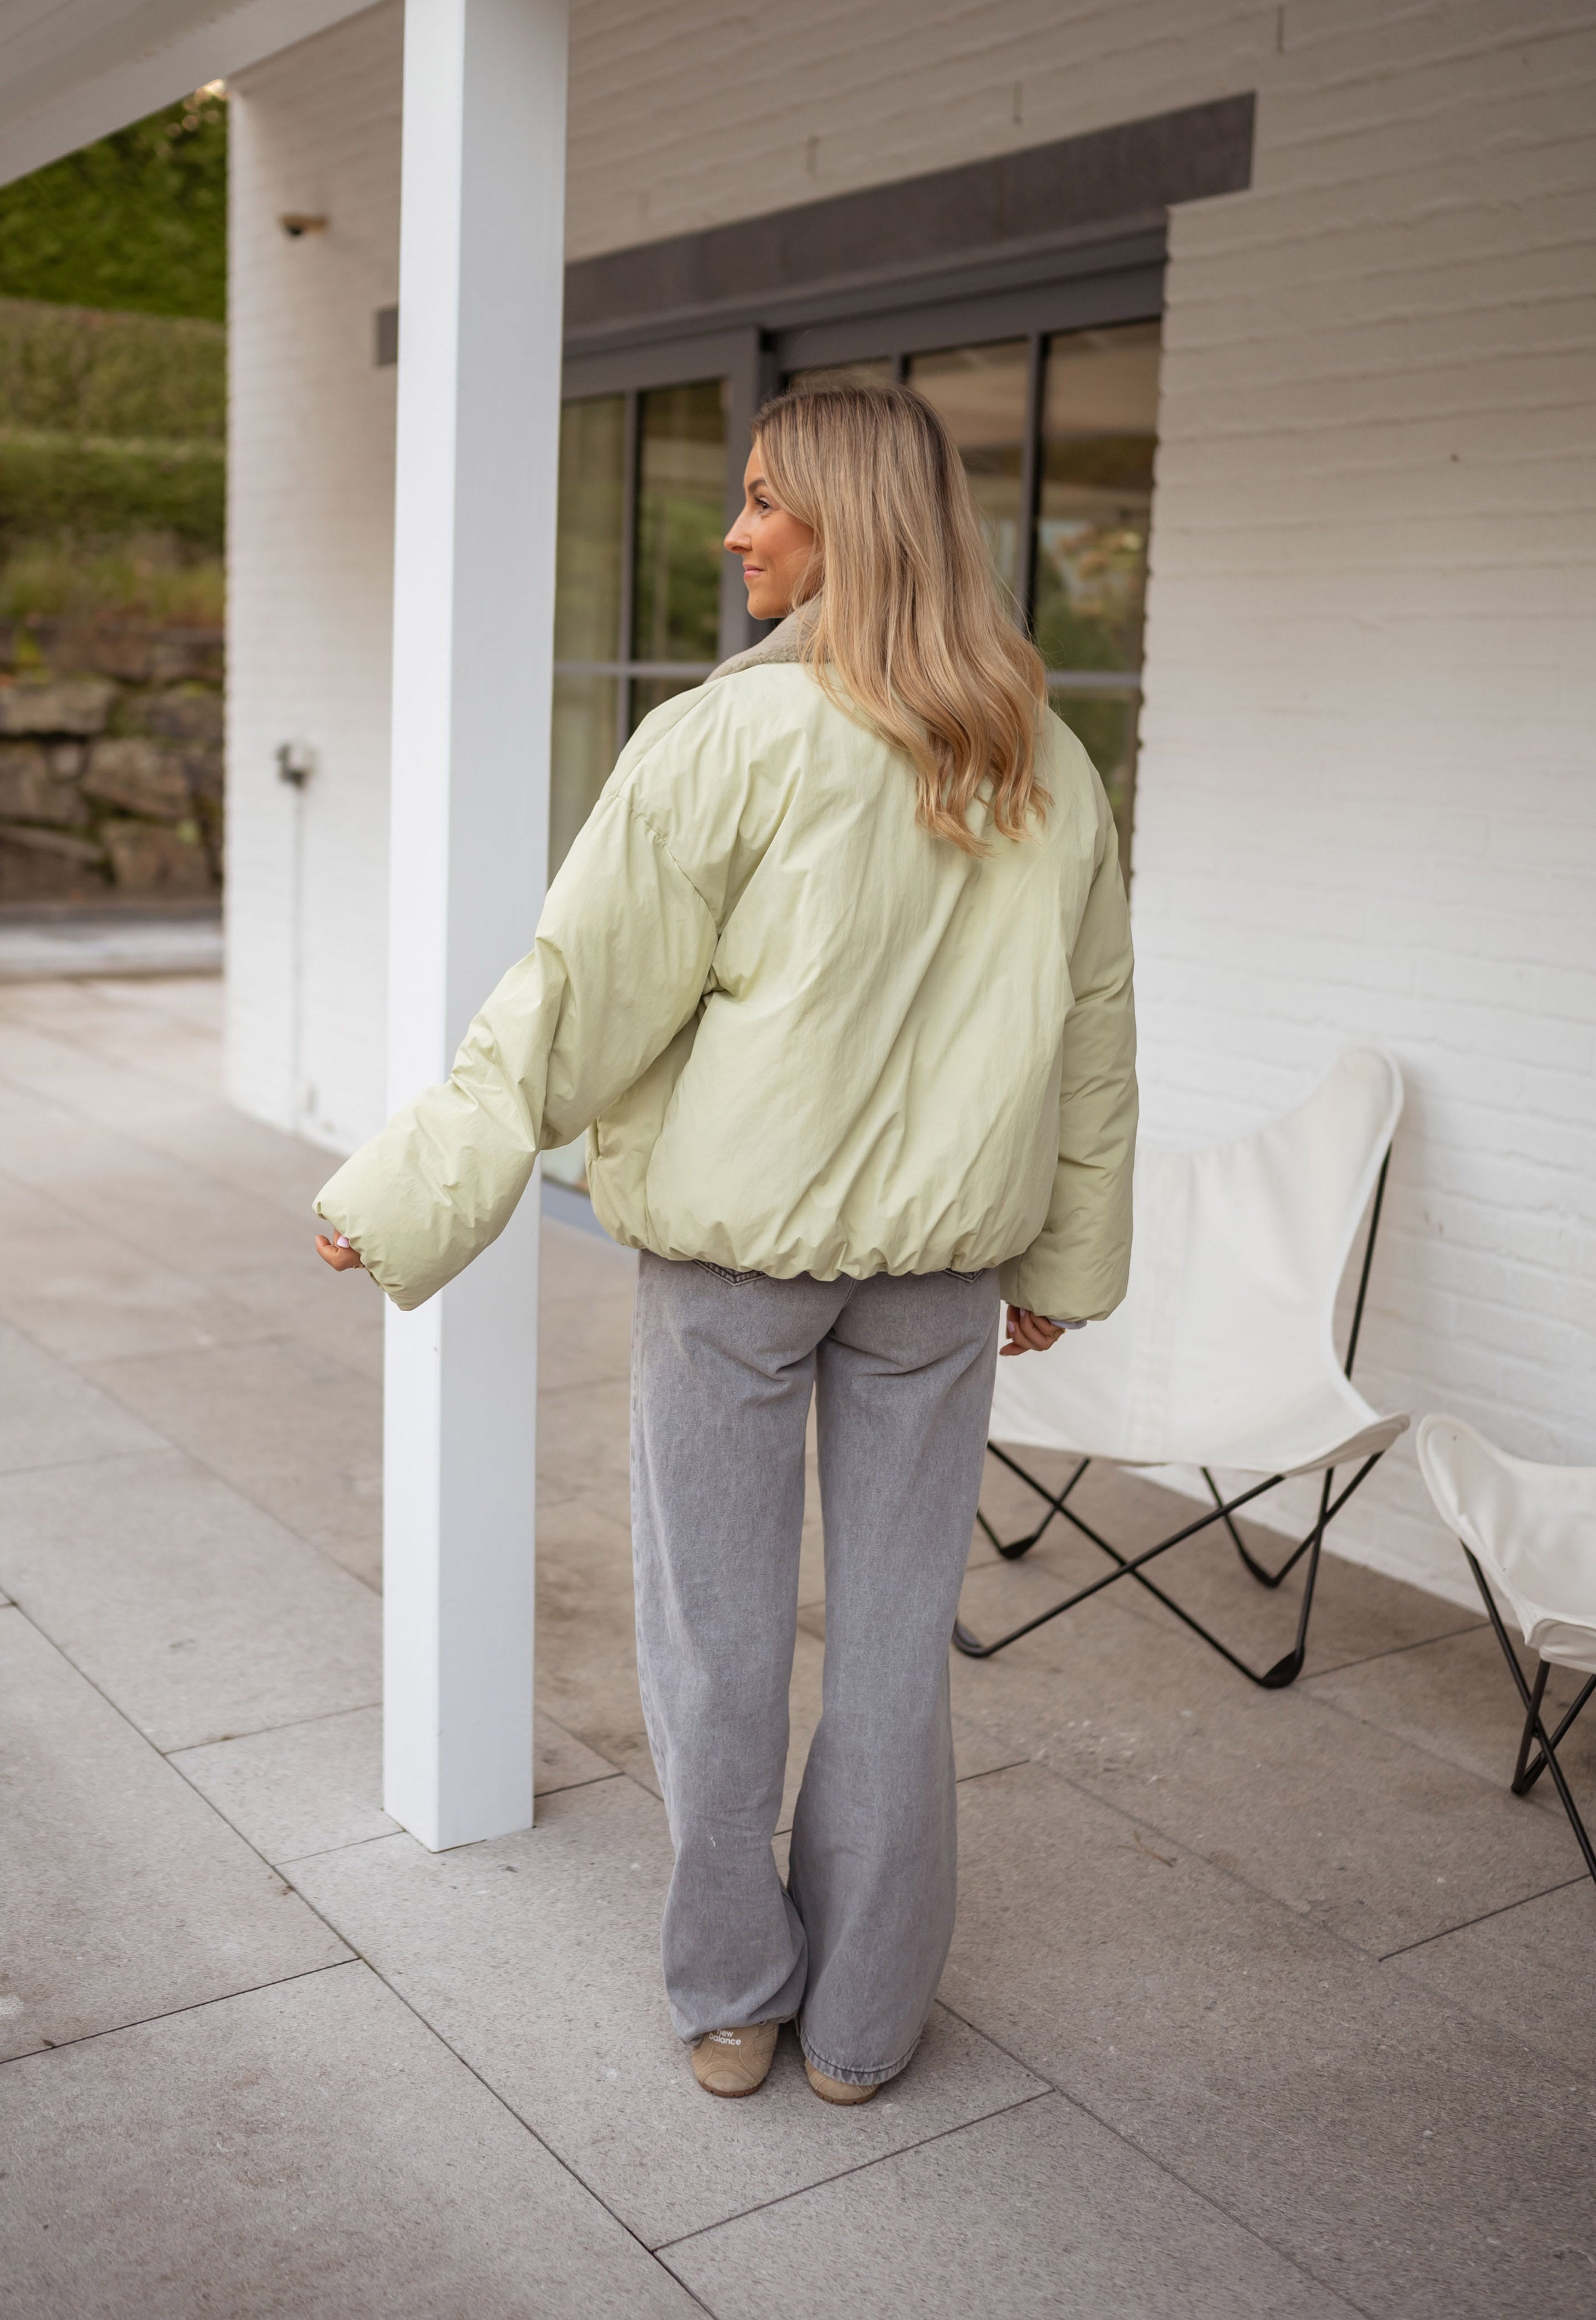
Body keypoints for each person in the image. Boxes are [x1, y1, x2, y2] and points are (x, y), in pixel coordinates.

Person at [313, 380, 1137, 2106]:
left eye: (767, 500)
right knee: (899, 1652)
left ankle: (739, 1994)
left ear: (848, 522)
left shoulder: (725, 740)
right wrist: (1060, 1258)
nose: (734, 529)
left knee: (719, 1640)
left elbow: (571, 1005)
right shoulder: (1042, 754)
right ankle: (864, 2026)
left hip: (739, 1276)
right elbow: (1096, 1027)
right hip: (939, 1278)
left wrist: (408, 1189)